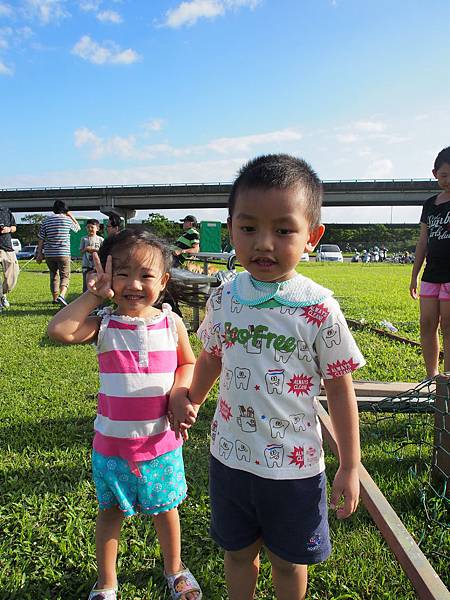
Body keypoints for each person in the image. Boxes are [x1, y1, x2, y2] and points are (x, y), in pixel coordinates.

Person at [170, 154, 365, 600]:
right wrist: (193, 397)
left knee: (287, 561)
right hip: (230, 459)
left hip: (293, 469)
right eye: (249, 227)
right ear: (231, 226)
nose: (264, 244)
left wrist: (350, 465)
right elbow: (212, 356)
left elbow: (339, 389)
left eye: (283, 230)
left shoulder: (318, 308)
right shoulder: (225, 297)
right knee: (238, 554)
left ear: (312, 236)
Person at [47, 227, 202, 600]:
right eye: (122, 273)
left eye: (146, 275)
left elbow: (188, 362)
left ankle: (175, 568)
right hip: (113, 445)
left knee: (166, 510)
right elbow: (59, 330)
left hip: (162, 443)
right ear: (106, 275)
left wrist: (181, 392)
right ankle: (106, 582)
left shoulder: (171, 323)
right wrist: (92, 295)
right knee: (111, 512)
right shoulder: (103, 324)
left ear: (163, 281)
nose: (134, 284)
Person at [410, 146, 450, 377]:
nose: (448, 180)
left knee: (448, 327)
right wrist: (415, 274)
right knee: (426, 324)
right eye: (444, 175)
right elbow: (423, 242)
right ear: (435, 174)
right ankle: (432, 376)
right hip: (431, 274)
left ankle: (447, 381)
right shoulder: (429, 205)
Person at [36, 200, 80, 306]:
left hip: (49, 253)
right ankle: (62, 295)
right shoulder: (67, 220)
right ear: (65, 209)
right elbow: (77, 228)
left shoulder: (46, 221)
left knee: (53, 275)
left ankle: (55, 298)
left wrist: (39, 253)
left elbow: (41, 238)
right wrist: (70, 215)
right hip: (63, 252)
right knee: (65, 275)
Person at [0, 205, 19, 312]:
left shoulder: (6, 210)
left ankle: (3, 295)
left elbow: (14, 227)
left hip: (7, 247)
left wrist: (8, 229)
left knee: (13, 274)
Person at [80, 219, 104, 293]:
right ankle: (85, 300)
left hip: (96, 266)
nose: (90, 229)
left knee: (96, 283)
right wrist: (86, 249)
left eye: (92, 227)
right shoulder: (84, 239)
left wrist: (94, 250)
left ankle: (97, 300)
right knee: (86, 284)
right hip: (86, 265)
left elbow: (103, 252)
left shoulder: (101, 240)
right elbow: (81, 252)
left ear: (97, 228)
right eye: (88, 227)